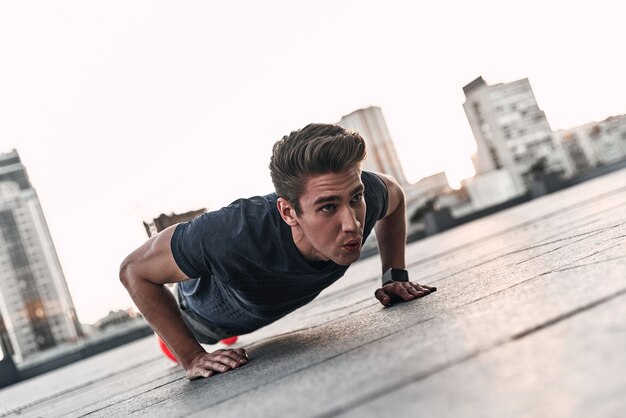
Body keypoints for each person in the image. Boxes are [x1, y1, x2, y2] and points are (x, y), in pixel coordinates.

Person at [120, 123, 436, 380]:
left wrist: (393, 275)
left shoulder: (365, 195)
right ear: (288, 213)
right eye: (327, 207)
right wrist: (191, 356)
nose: (351, 223)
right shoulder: (232, 233)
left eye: (355, 198)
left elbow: (393, 193)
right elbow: (133, 270)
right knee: (205, 332)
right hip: (203, 314)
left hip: (259, 299)